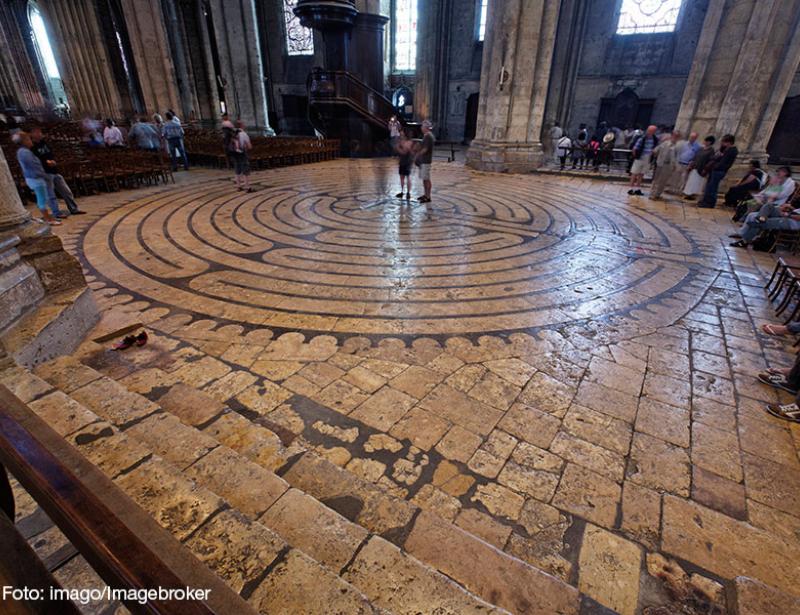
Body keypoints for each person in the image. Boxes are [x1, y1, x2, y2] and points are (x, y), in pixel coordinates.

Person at [729, 168, 797, 248]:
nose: (778, 173)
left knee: (757, 217)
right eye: (778, 171)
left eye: (780, 171)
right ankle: (744, 233)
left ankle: (746, 239)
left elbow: (778, 196)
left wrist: (787, 213)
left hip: (779, 207)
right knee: (753, 214)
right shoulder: (777, 180)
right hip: (775, 206)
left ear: (785, 173)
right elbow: (767, 193)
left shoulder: (790, 183)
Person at [30, 127, 84, 216]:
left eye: (40, 132)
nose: (40, 134)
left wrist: (52, 161)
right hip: (45, 173)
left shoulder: (44, 143)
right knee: (51, 195)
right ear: (32, 134)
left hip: (54, 171)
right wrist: (46, 162)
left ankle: (74, 209)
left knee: (66, 191)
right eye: (37, 132)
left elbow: (50, 154)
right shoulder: (32, 147)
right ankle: (56, 213)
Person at [13, 132, 62, 226]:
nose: (31, 141)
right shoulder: (25, 153)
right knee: (42, 199)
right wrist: (46, 176)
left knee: (43, 198)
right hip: (36, 178)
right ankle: (48, 219)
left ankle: (49, 218)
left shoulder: (22, 152)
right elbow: (34, 168)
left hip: (34, 178)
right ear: (24, 141)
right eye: (28, 139)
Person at [699, 134, 738, 208]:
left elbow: (723, 163)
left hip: (719, 171)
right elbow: (716, 157)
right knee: (709, 186)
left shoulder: (732, 151)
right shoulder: (725, 149)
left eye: (723, 142)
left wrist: (714, 166)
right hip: (715, 170)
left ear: (729, 142)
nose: (722, 143)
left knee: (713, 187)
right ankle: (705, 201)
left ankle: (710, 203)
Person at [649, 130, 681, 200]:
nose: (675, 137)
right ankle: (652, 194)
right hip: (661, 164)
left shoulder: (678, 146)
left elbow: (677, 157)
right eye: (675, 135)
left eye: (677, 136)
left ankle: (658, 194)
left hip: (669, 165)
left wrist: (675, 166)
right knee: (656, 180)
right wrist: (657, 157)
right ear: (672, 135)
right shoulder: (665, 143)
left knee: (663, 181)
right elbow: (655, 151)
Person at [683, 136, 716, 200]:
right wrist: (691, 163)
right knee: (691, 181)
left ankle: (693, 194)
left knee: (698, 182)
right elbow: (695, 156)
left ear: (710, 142)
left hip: (702, 169)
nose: (705, 142)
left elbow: (710, 161)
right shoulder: (701, 149)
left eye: (707, 141)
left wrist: (705, 169)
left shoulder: (711, 151)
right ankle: (688, 193)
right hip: (695, 167)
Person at [628, 125, 658, 196]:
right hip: (640, 157)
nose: (650, 132)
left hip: (648, 157)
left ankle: (637, 189)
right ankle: (631, 189)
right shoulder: (642, 138)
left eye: (652, 131)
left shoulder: (654, 139)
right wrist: (636, 156)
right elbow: (635, 148)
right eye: (649, 130)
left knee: (641, 174)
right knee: (634, 173)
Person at [230, 120, 253, 192]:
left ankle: (238, 186)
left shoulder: (232, 134)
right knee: (245, 169)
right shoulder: (243, 134)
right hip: (242, 153)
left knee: (237, 169)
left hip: (234, 153)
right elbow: (249, 146)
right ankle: (247, 187)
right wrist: (247, 147)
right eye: (243, 124)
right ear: (241, 126)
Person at [416, 120, 435, 203]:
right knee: (424, 178)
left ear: (426, 128)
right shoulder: (426, 135)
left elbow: (425, 149)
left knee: (426, 179)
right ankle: (425, 195)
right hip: (424, 160)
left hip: (426, 161)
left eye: (422, 126)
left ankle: (428, 196)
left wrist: (418, 155)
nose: (421, 128)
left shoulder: (428, 136)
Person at [395, 130, 414, 200]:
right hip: (402, 161)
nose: (400, 136)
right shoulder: (401, 142)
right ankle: (402, 191)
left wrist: (398, 147)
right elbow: (399, 153)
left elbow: (404, 152)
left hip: (407, 162)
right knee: (401, 177)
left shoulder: (409, 142)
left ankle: (408, 193)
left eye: (402, 135)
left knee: (407, 177)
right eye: (400, 135)